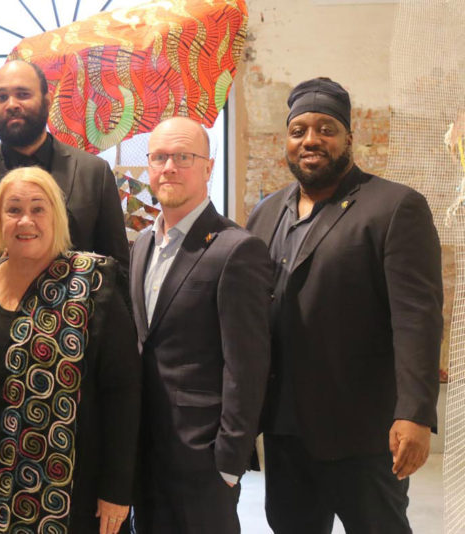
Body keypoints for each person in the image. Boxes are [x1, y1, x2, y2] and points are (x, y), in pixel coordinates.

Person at [246, 77, 442, 534]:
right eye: (298, 131)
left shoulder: (393, 207)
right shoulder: (266, 212)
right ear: (287, 140)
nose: (311, 140)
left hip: (363, 432)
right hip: (283, 429)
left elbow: (417, 318)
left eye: (326, 128)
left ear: (349, 137)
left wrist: (414, 413)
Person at [0, 166, 141, 534]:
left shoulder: (94, 282)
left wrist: (117, 490)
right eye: (14, 209)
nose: (26, 221)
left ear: (56, 216)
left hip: (72, 494)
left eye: (39, 209)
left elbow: (124, 393)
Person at [129, 117, 272, 533]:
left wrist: (230, 460)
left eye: (182, 157)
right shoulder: (142, 245)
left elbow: (247, 367)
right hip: (146, 449)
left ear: (208, 168)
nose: (168, 167)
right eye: (159, 157)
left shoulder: (236, 249)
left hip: (203, 457)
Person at [0, 59, 130, 286]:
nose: (11, 104)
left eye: (23, 94)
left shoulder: (94, 173)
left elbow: (118, 267)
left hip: (79, 318)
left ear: (47, 102)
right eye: (1, 97)